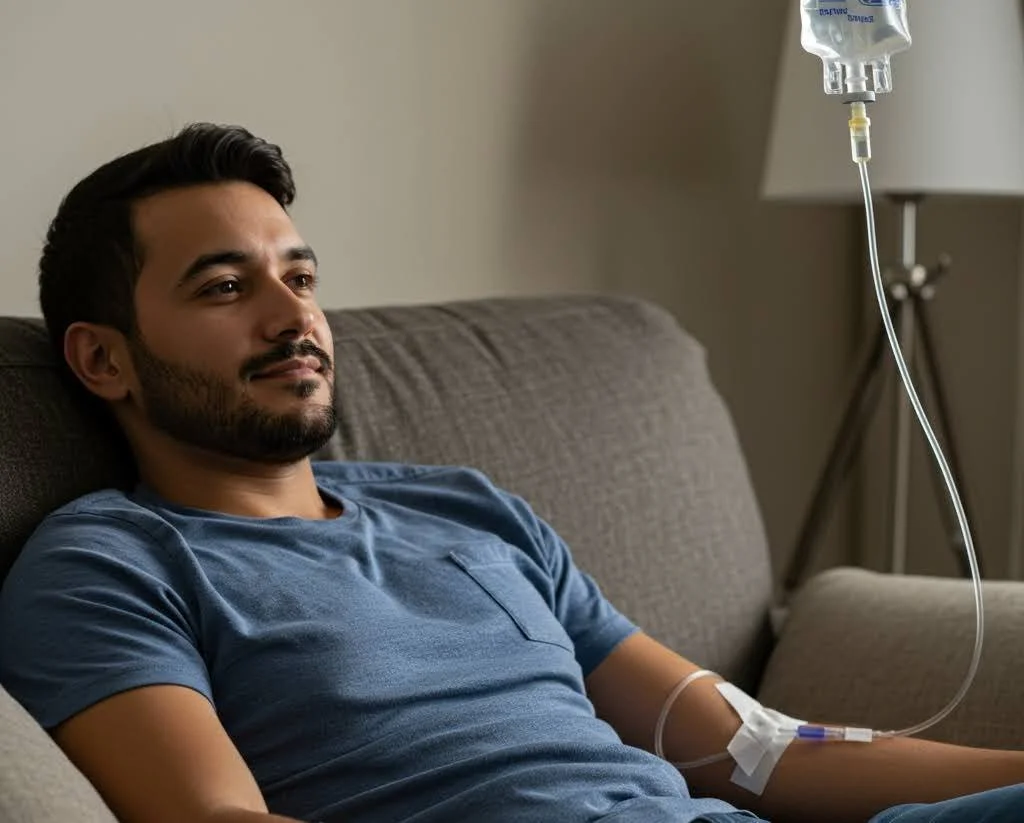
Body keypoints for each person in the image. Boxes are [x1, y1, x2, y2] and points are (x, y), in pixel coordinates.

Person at [0, 123, 1021, 823]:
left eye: (299, 276)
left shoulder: (468, 509)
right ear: (103, 359)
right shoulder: (107, 565)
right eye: (226, 286)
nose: (293, 316)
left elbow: (756, 748)